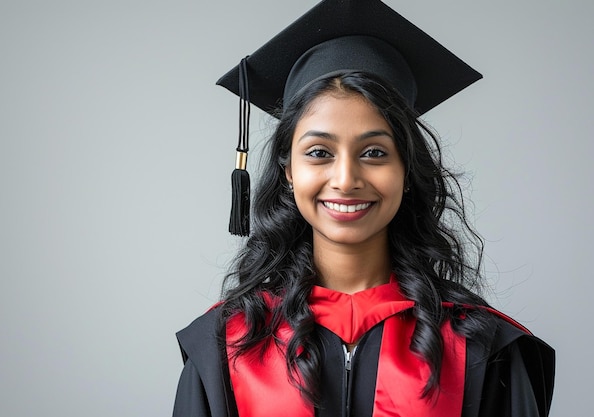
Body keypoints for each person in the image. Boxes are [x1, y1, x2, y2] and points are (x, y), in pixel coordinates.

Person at [173, 1, 555, 416]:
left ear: (407, 170)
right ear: (288, 171)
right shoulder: (227, 343)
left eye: (374, 152)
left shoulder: (481, 345)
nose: (345, 178)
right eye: (319, 152)